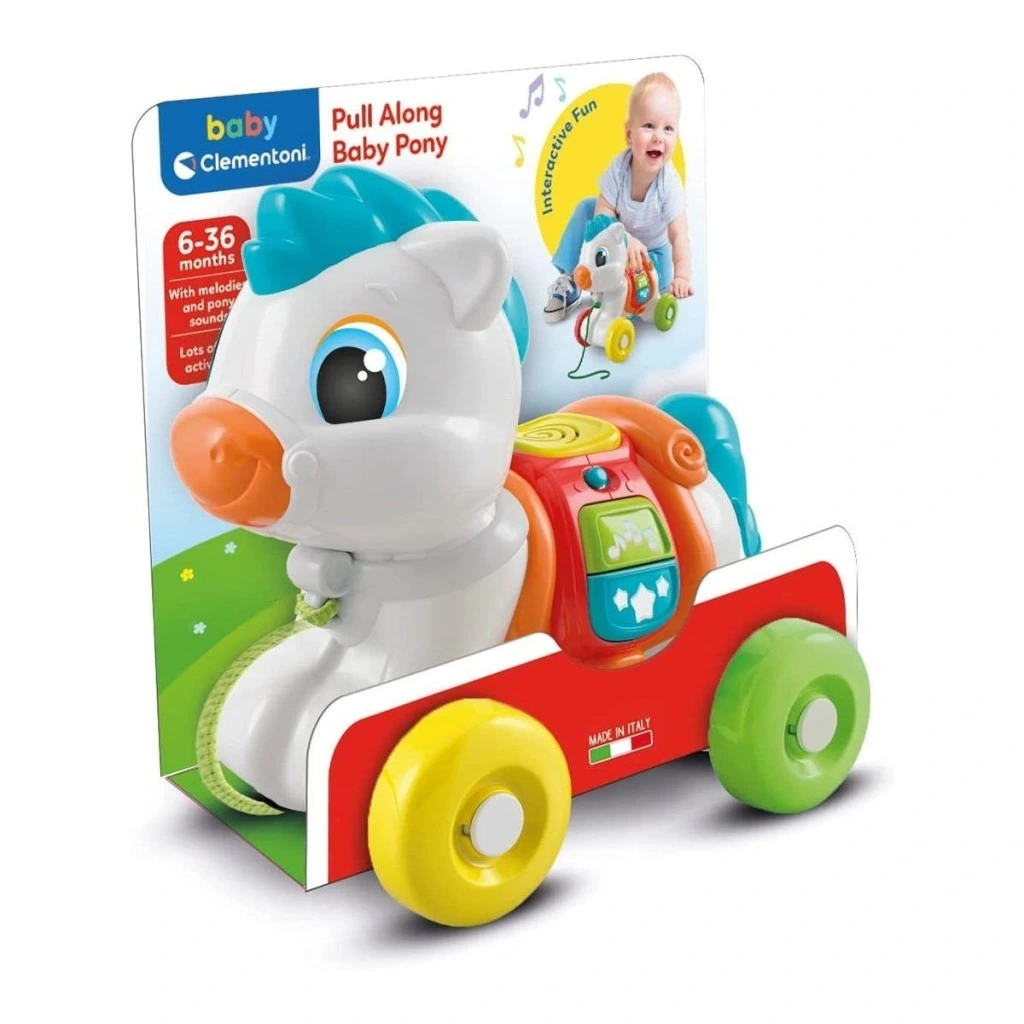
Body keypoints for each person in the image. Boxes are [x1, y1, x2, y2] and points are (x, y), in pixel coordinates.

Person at [544, 72, 695, 322]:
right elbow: (602, 215)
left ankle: (627, 294)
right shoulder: (619, 169)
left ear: (676, 138)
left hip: (650, 254)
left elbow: (679, 234)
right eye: (649, 126)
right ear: (629, 134)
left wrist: (682, 276)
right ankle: (573, 278)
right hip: (616, 240)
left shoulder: (669, 183)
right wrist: (625, 239)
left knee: (660, 275)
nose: (658, 136)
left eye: (668, 128)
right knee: (587, 207)